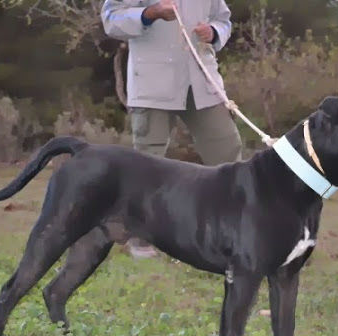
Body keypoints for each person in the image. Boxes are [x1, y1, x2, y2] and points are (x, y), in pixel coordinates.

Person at [102, 0, 243, 258]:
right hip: (153, 83)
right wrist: (149, 14)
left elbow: (223, 20)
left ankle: (234, 229)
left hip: (202, 81)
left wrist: (214, 32)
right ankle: (139, 235)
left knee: (227, 149)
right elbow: (111, 20)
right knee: (147, 161)